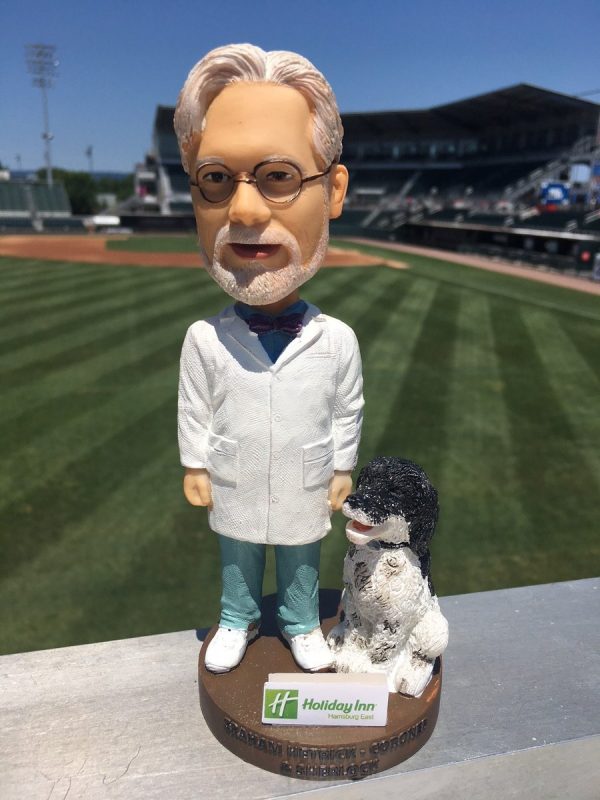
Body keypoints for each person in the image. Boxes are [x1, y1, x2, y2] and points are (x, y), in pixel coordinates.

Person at [174, 44, 363, 673]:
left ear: (333, 190)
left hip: (307, 475)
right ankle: (237, 617)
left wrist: (343, 465)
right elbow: (194, 407)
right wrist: (194, 462)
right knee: (237, 549)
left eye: (278, 176)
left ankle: (302, 623)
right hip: (234, 473)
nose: (245, 210)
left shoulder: (337, 338)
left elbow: (348, 407)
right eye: (216, 179)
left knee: (302, 548)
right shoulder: (204, 338)